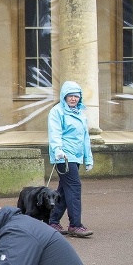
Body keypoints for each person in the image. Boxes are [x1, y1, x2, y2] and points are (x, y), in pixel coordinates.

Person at [47, 80, 95, 237]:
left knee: (65, 189)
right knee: (74, 187)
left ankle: (52, 221)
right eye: (70, 96)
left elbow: (85, 137)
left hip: (76, 156)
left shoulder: (80, 113)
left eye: (76, 96)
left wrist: (88, 159)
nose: (74, 99)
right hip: (64, 157)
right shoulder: (57, 111)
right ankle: (75, 225)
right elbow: (55, 133)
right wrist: (57, 150)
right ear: (64, 96)